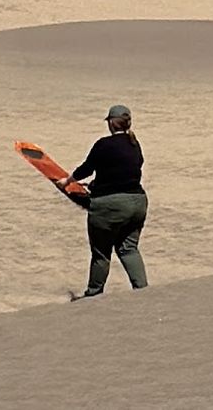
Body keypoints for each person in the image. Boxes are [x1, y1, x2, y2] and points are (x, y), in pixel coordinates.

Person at [57, 104, 148, 297]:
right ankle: (143, 291)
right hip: (137, 202)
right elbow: (126, 171)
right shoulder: (134, 144)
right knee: (129, 249)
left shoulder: (104, 144)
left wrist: (67, 181)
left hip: (109, 206)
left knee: (101, 253)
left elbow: (86, 168)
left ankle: (93, 294)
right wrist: (96, 184)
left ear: (111, 124)